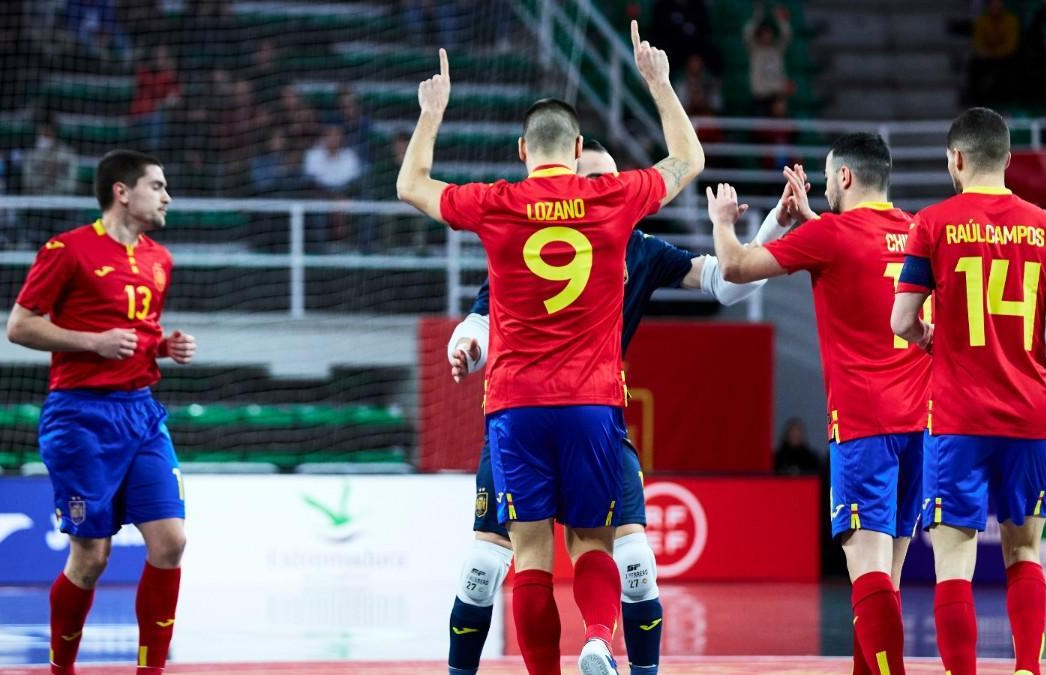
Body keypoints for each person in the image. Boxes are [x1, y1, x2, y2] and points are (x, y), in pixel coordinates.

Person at [396, 21, 704, 673]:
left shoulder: (499, 202)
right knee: (593, 538)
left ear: (522, 150)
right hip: (592, 400)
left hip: (514, 405)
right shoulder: (611, 196)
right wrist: (658, 82)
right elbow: (687, 162)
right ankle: (598, 637)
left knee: (529, 553)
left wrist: (433, 114)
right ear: (580, 146)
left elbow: (411, 186)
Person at [445, 139, 785, 675]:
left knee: (635, 564)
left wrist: (771, 230)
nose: (603, 191)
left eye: (610, 180)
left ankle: (607, 651)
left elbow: (726, 283)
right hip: (533, 412)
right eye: (590, 180)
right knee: (482, 569)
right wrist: (466, 345)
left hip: (590, 413)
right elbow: (479, 316)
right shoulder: (528, 237)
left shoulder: (639, 247)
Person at [708, 133, 930, 675]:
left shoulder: (831, 234)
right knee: (886, 585)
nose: (826, 186)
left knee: (870, 577)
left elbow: (733, 267)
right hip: (921, 426)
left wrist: (719, 219)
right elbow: (860, 255)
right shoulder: (920, 231)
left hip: (862, 424)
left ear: (846, 178)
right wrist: (811, 219)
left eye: (830, 177)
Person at [891, 107, 1046, 675]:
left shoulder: (931, 223)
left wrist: (934, 339)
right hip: (1029, 416)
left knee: (953, 562)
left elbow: (902, 320)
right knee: (1024, 553)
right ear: (1008, 158)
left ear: (955, 159)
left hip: (956, 416)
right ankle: (1027, 670)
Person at [6, 150, 198, 675]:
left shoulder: (161, 259)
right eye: (157, 186)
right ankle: (61, 669)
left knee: (172, 542)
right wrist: (91, 341)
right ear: (122, 192)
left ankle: (150, 671)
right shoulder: (66, 250)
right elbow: (20, 326)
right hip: (79, 419)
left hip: (141, 413)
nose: (166, 197)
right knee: (91, 559)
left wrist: (165, 347)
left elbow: (138, 335)